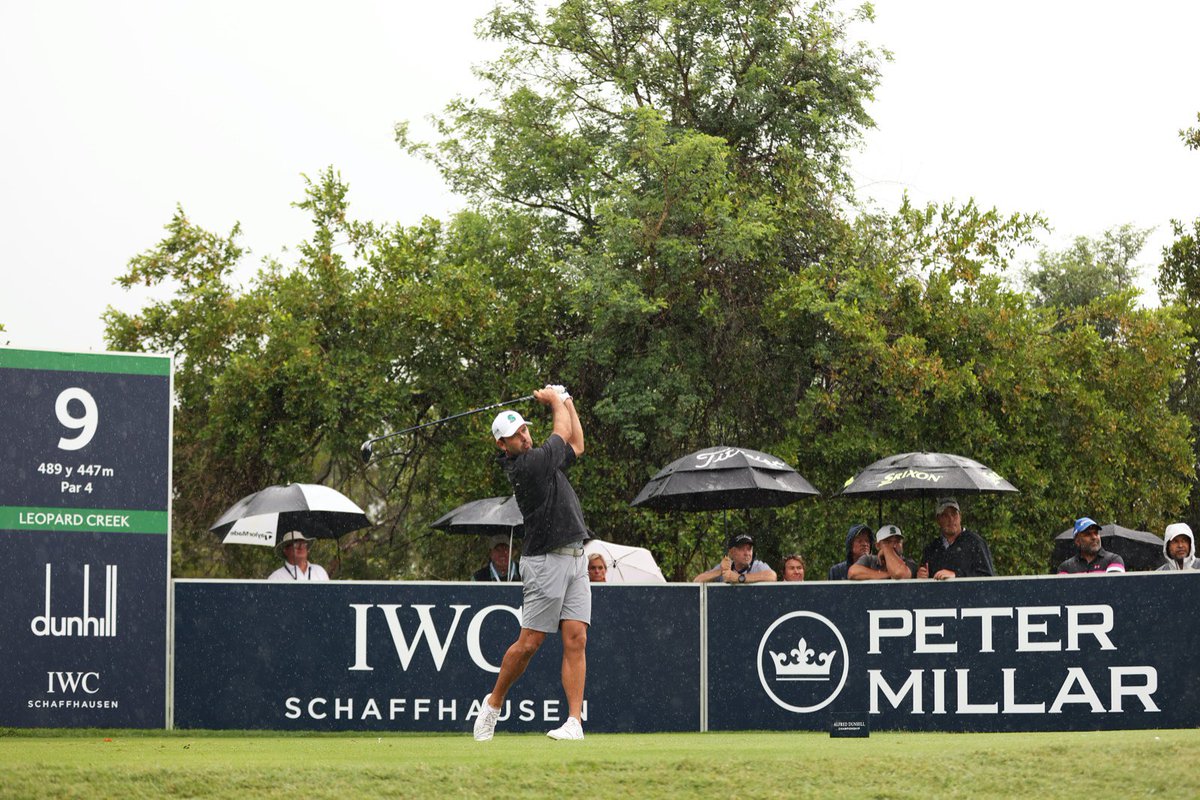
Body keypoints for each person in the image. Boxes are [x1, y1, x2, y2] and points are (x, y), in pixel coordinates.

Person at [473, 384, 590, 742]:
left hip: (575, 555)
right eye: (514, 435)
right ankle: (492, 706)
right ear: (502, 445)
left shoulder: (542, 457)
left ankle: (573, 722)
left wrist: (568, 398)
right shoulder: (526, 466)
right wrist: (556, 400)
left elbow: (578, 444)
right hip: (544, 561)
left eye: (524, 429)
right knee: (529, 643)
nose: (523, 437)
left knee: (576, 638)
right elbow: (561, 432)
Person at [917, 497, 995, 579]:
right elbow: (924, 584)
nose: (951, 519)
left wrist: (957, 576)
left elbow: (987, 578)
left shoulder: (976, 543)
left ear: (960, 516)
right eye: (945, 515)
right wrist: (921, 577)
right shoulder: (931, 549)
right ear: (938, 520)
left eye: (954, 514)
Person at [692, 533, 777, 583]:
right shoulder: (726, 567)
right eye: (742, 549)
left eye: (749, 549)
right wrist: (720, 571)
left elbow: (772, 576)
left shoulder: (757, 566)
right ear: (732, 552)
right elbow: (697, 581)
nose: (747, 553)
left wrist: (738, 578)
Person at [1057, 517, 1125, 574]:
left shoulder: (1114, 560)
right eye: (1088, 534)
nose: (1094, 537)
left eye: (1096, 533)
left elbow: (1115, 587)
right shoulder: (1065, 567)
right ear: (1077, 541)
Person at [849, 524, 917, 580]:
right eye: (888, 542)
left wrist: (886, 549)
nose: (894, 545)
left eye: (898, 541)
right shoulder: (869, 560)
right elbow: (852, 572)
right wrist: (887, 574)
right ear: (878, 546)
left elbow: (899, 574)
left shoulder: (909, 562)